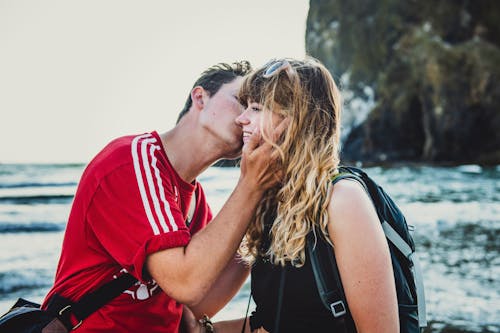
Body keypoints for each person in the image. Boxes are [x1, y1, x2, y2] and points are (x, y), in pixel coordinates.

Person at [41, 61, 283, 332]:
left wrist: (260, 210)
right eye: (241, 101)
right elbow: (186, 283)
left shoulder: (196, 201)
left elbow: (198, 304)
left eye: (256, 109)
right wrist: (250, 186)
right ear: (200, 98)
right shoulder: (131, 162)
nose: (245, 118)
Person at [193, 58, 399, 332]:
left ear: (295, 121)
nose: (241, 119)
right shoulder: (269, 201)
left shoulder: (342, 200)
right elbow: (275, 320)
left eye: (255, 108)